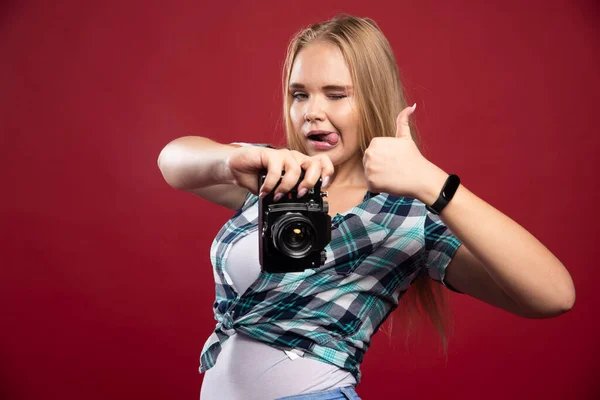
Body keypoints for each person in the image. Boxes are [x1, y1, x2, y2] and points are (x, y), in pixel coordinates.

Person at [157, 14, 575, 400]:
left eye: (336, 95)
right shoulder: (280, 174)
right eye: (299, 94)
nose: (312, 113)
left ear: (372, 99)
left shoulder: (408, 219)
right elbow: (173, 162)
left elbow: (554, 295)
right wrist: (230, 161)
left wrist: (434, 184)